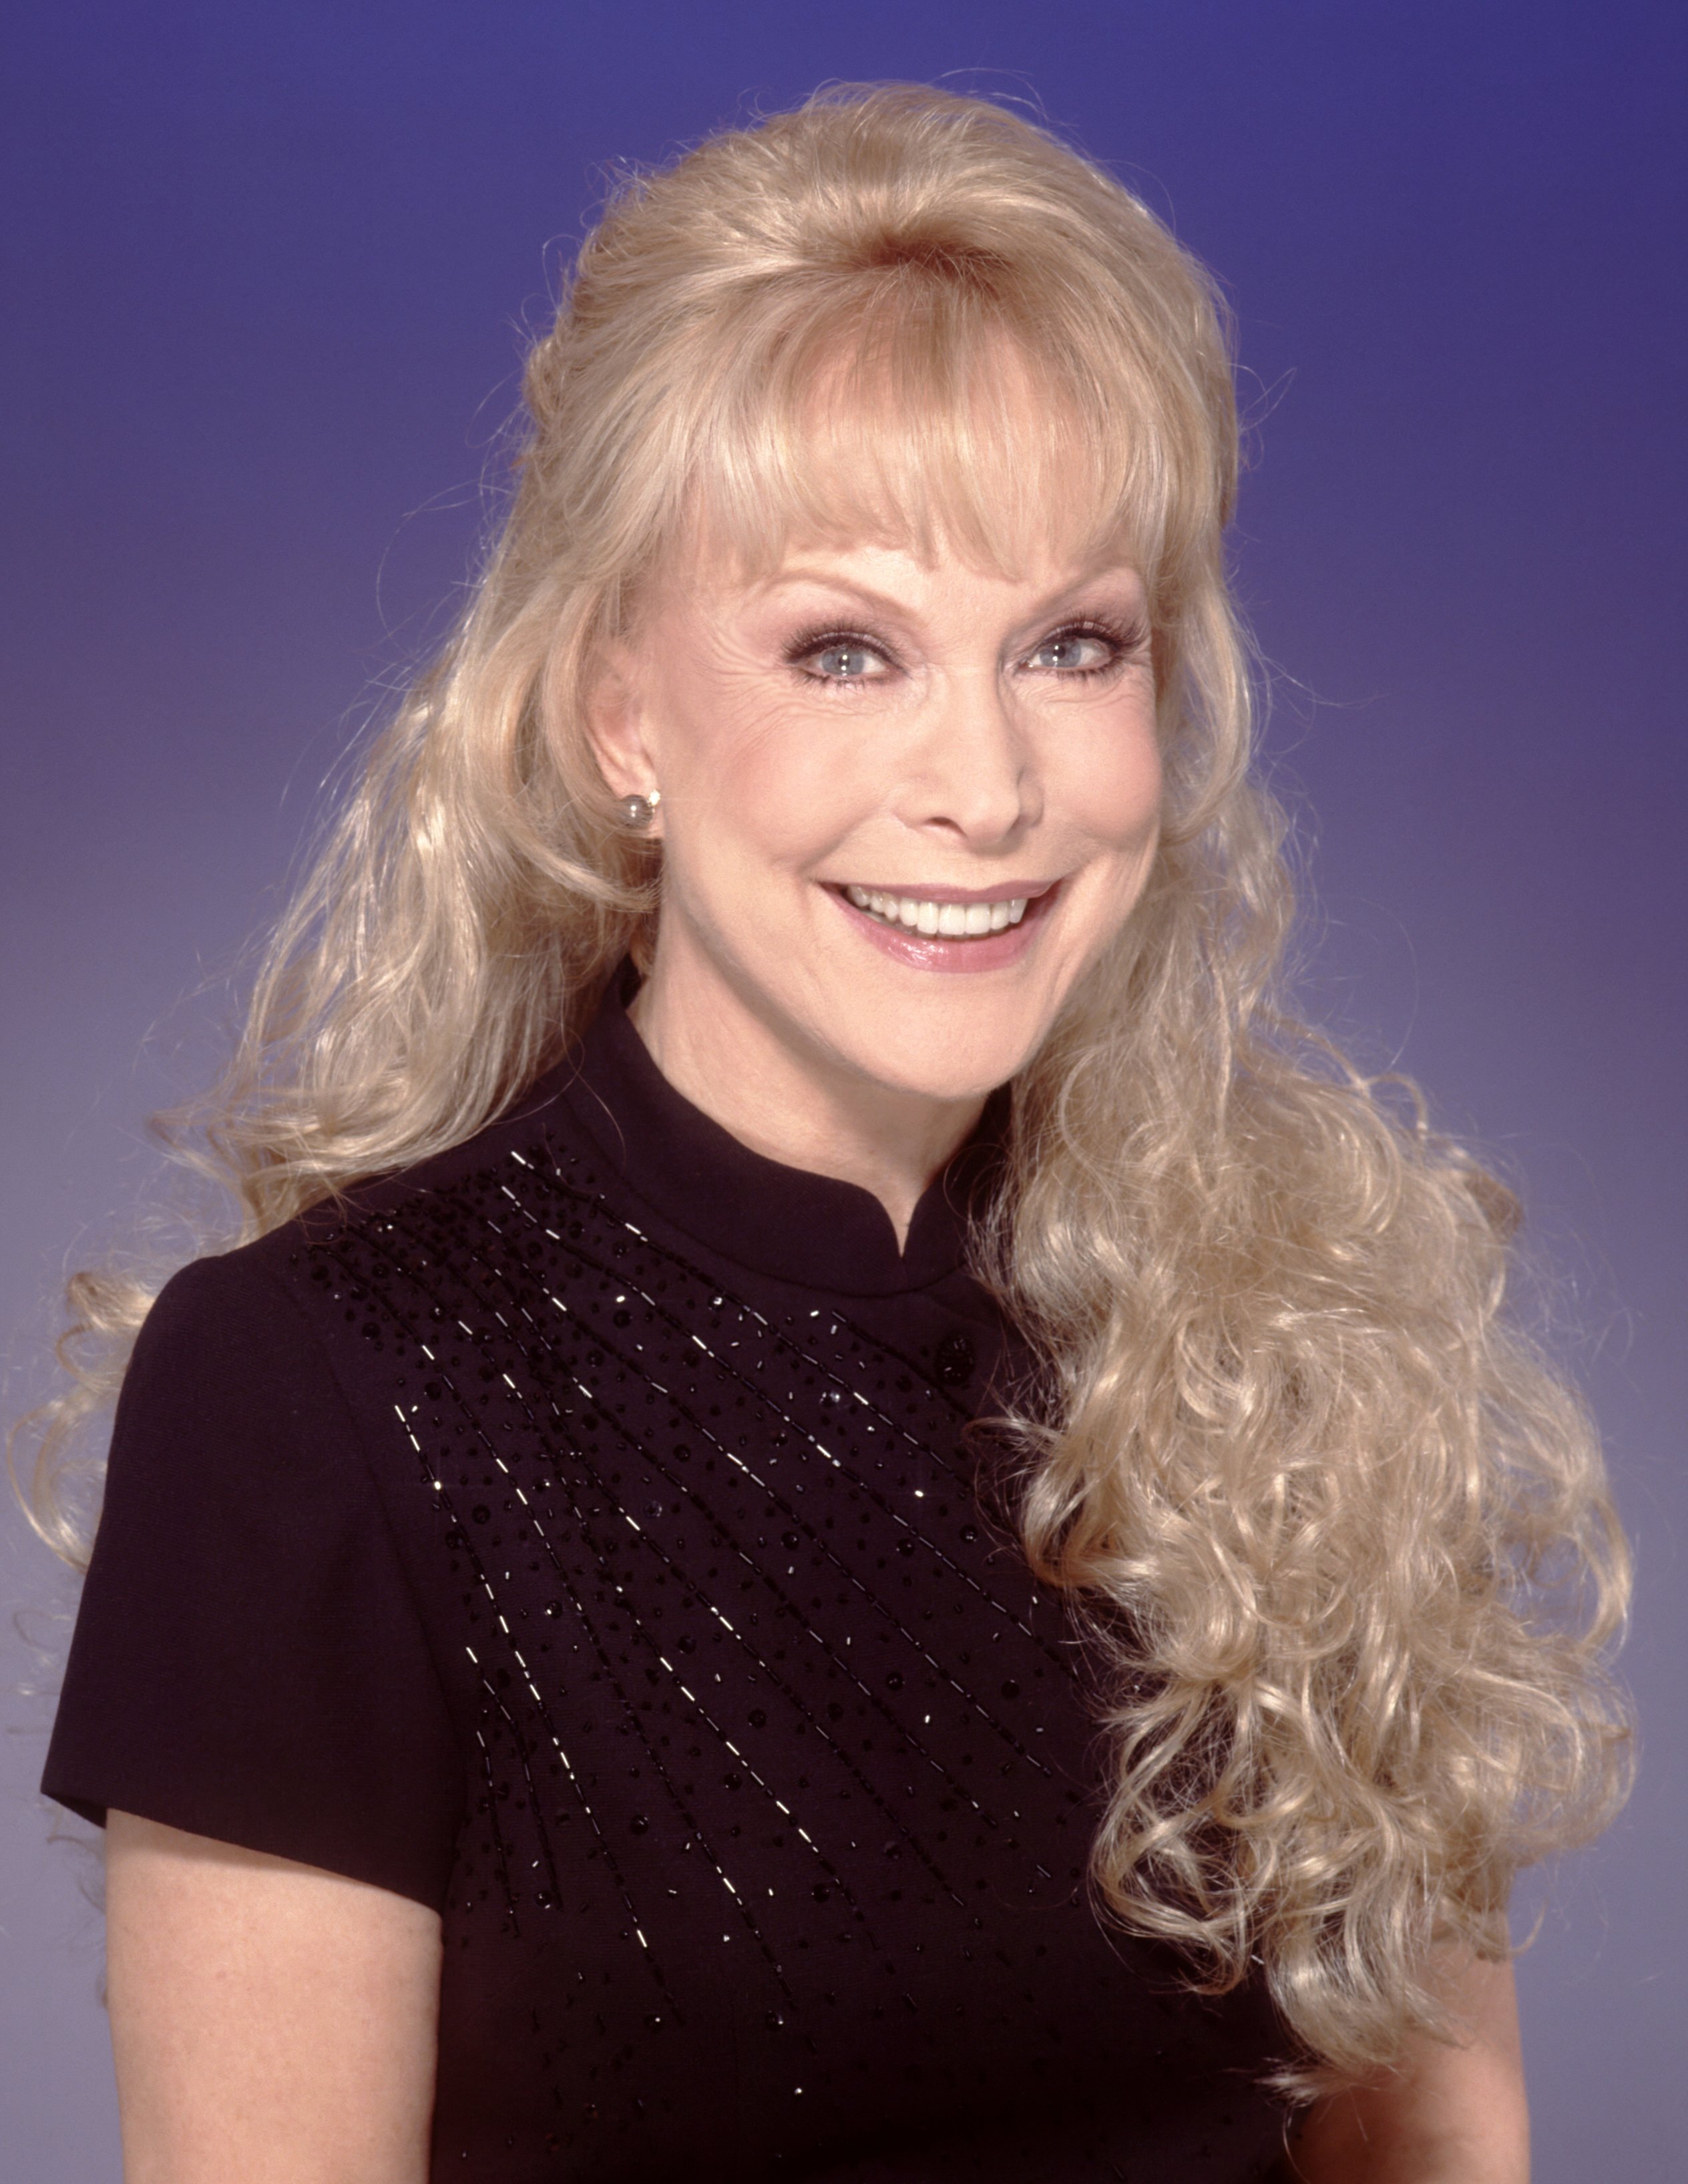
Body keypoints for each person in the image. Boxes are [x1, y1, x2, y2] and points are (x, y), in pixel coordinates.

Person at [24, 83, 1630, 2183]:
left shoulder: (1313, 1353)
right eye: (844, 648)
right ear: (620, 712)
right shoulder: (317, 1394)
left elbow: (1440, 2150)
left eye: (1072, 644)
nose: (988, 785)